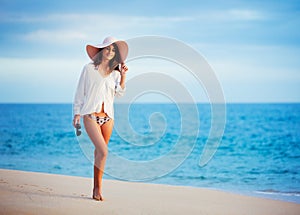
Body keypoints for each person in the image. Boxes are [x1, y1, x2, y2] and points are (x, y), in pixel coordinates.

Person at [72, 36, 128, 201]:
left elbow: (119, 93)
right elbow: (79, 92)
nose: (110, 52)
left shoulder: (115, 74)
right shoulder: (89, 69)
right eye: (107, 49)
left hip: (108, 118)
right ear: (101, 50)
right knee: (104, 151)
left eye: (113, 50)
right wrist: (77, 113)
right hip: (90, 115)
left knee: (99, 153)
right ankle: (97, 189)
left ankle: (96, 188)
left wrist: (123, 76)